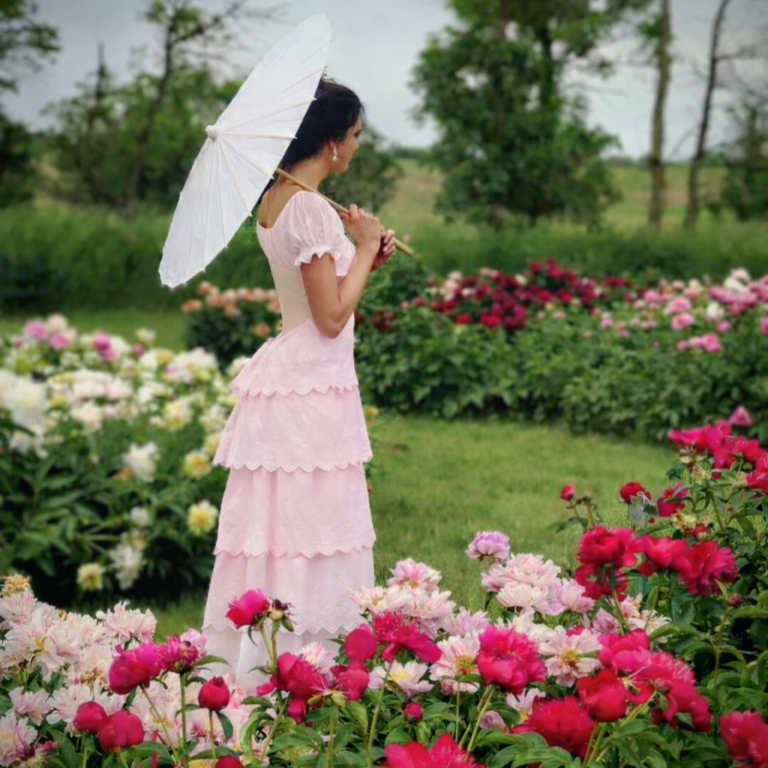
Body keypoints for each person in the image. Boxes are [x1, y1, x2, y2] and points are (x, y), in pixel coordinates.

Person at [201, 79, 395, 689]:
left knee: (287, 528)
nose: (357, 148)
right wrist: (361, 249)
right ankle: (308, 667)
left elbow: (322, 300)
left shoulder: (278, 198)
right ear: (333, 142)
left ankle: (274, 657)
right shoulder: (310, 207)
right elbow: (332, 320)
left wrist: (363, 258)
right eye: (356, 136)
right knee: (313, 526)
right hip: (311, 382)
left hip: (297, 375)